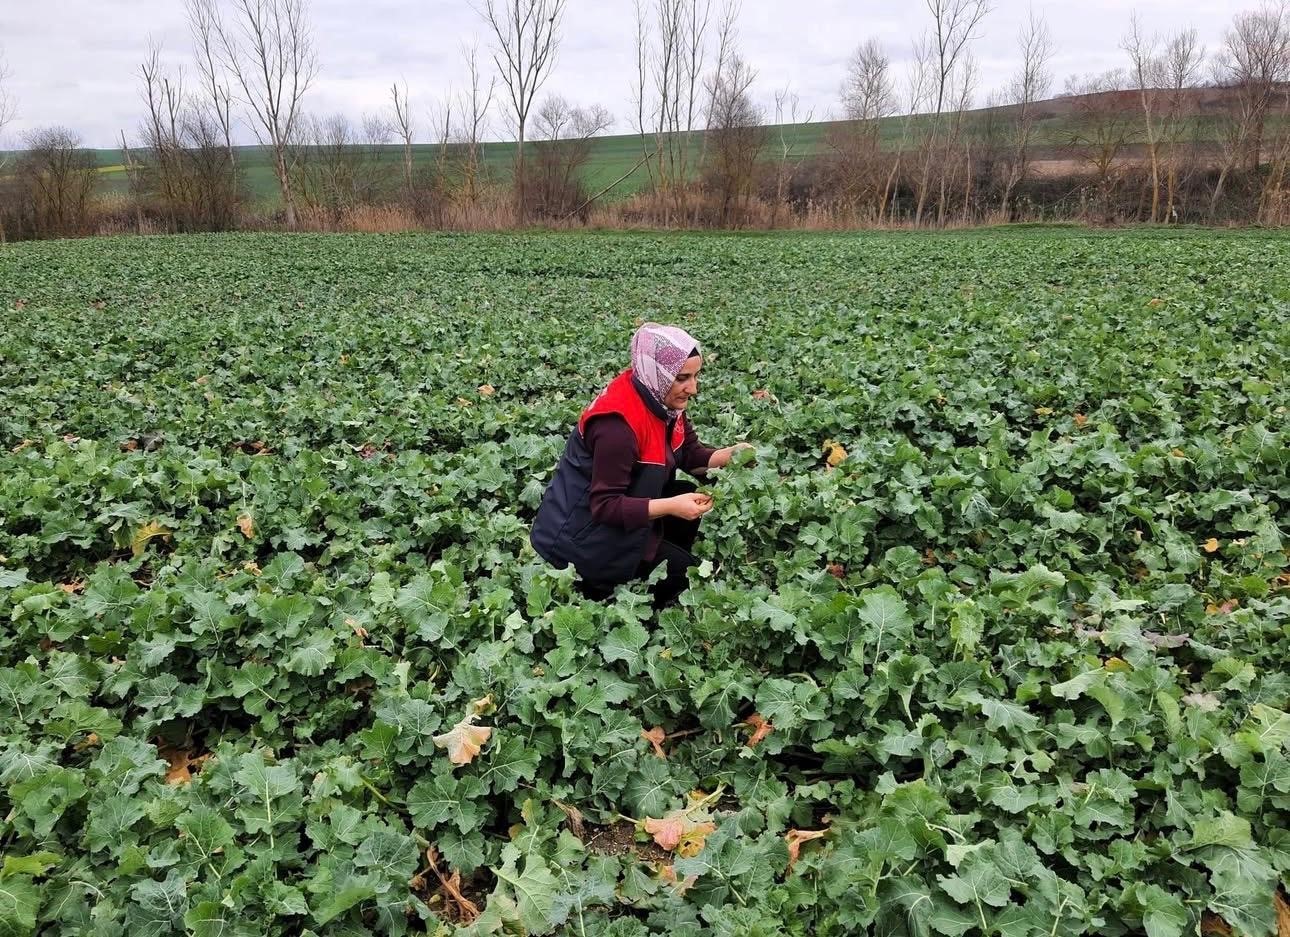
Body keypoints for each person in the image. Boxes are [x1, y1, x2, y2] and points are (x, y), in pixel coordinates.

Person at [530, 322, 750, 607]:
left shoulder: (663, 400)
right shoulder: (617, 426)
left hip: (609, 521)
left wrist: (732, 454)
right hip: (580, 539)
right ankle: (605, 588)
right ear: (659, 373)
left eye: (696, 376)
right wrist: (671, 506)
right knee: (683, 576)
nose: (693, 388)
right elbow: (605, 506)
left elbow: (690, 454)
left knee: (681, 491)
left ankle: (649, 560)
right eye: (683, 377)